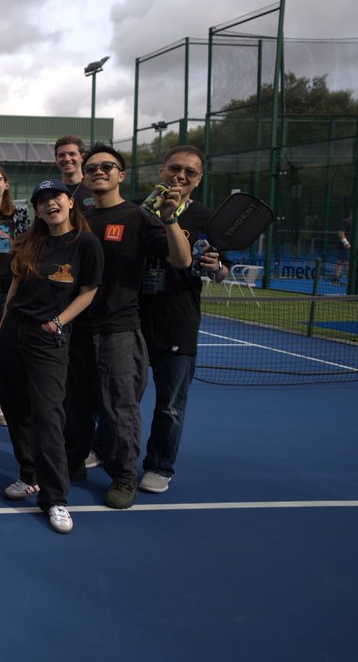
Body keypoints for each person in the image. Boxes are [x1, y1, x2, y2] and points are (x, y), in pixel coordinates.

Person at [64, 143, 191, 510]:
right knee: (73, 405)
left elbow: (180, 260)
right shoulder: (79, 217)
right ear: (84, 179)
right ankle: (74, 462)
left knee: (119, 409)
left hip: (118, 331)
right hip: (76, 329)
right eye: (91, 168)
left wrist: (170, 219)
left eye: (107, 166)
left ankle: (123, 477)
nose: (98, 171)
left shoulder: (139, 218)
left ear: (121, 175)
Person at [0, 182, 101, 534]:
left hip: (49, 338)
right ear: (38, 210)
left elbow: (88, 292)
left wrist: (57, 322)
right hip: (15, 333)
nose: (49, 205)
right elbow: (14, 285)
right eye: (41, 202)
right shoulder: (30, 241)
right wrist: (8, 319)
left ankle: (56, 498)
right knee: (15, 409)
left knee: (48, 416)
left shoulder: (85, 243)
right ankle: (29, 475)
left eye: (55, 199)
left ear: (69, 203)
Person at [136, 146, 228, 495]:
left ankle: (159, 466)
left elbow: (221, 272)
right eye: (175, 168)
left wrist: (216, 267)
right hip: (132, 318)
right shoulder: (140, 210)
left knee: (170, 406)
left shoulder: (207, 218)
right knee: (118, 397)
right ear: (162, 171)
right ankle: (105, 450)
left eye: (190, 172)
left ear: (198, 180)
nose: (181, 176)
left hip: (178, 322)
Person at [0, 162, 30, 426]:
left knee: (6, 345)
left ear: (6, 184)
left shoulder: (19, 212)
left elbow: (25, 246)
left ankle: (1, 403)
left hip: (8, 286)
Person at [54, 135, 92, 208]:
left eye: (72, 154)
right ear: (56, 159)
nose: (67, 159)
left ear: (82, 157)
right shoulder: (53, 192)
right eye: (62, 155)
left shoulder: (95, 188)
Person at [332, 212, 353, 284]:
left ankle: (335, 278)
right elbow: (341, 233)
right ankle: (348, 280)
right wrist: (346, 243)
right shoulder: (346, 221)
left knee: (342, 261)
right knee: (345, 262)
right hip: (343, 246)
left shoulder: (356, 223)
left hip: (349, 246)